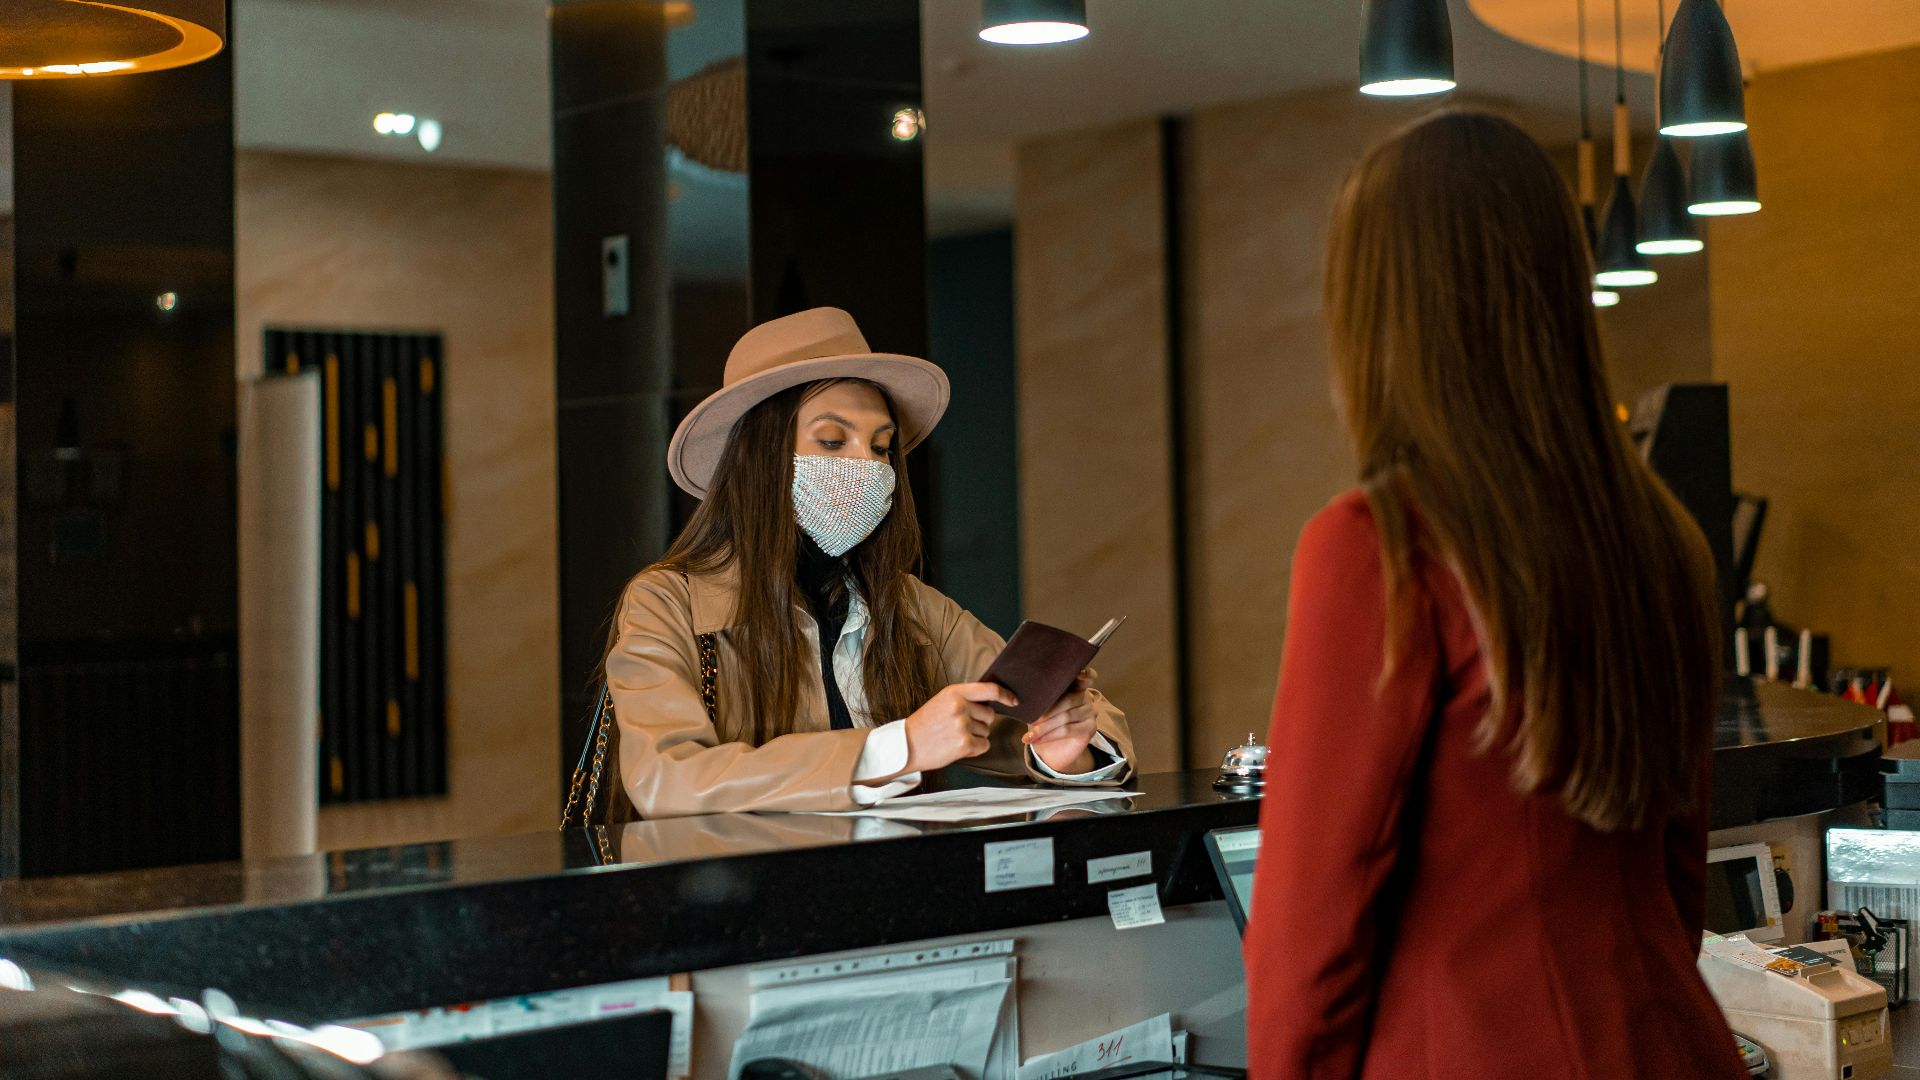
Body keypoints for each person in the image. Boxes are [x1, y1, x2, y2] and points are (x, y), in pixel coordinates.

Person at [1244, 111, 1745, 1079]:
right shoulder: (1667, 541)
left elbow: (1307, 946)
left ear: (1380, 314)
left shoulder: (1379, 547)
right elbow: (1680, 891)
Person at [603, 307, 1134, 818]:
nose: (867, 464)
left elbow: (1041, 716)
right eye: (833, 441)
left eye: (882, 448)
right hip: (745, 899)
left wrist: (1066, 752)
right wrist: (897, 748)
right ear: (758, 458)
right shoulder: (668, 601)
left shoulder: (906, 603)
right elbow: (664, 777)